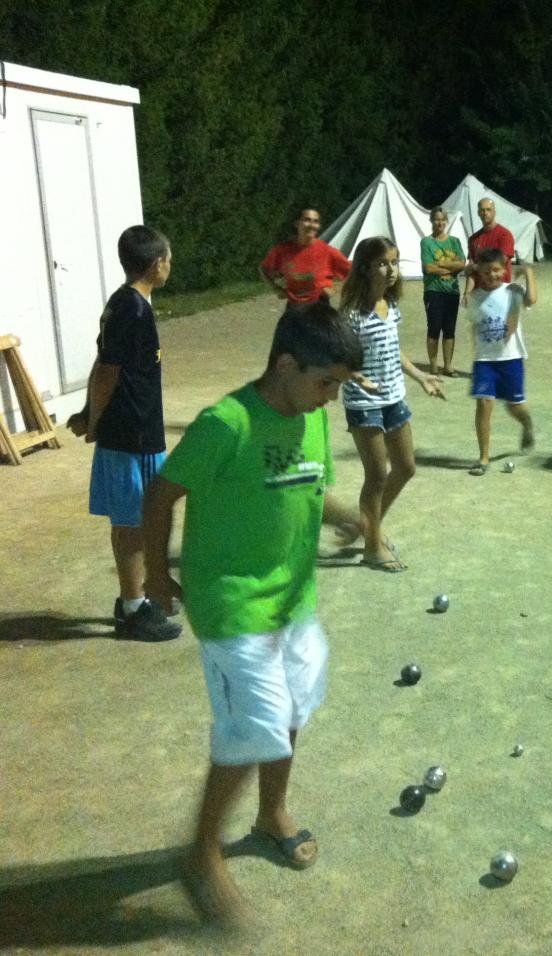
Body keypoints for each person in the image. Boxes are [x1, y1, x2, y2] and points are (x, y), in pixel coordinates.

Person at [141, 304, 365, 926]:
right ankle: (203, 851)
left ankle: (271, 813)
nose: (331, 398)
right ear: (286, 364)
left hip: (294, 598)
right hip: (232, 601)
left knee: (292, 708)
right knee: (254, 725)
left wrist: (342, 512)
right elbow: (160, 494)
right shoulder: (226, 422)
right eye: (327, 383)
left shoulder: (310, 414)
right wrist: (158, 574)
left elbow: (306, 484)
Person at [79, 225, 182, 641]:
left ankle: (136, 598)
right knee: (131, 521)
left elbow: (104, 359)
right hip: (129, 435)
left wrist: (89, 411)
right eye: (168, 260)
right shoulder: (131, 309)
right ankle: (133, 608)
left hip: (141, 430)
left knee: (144, 517)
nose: (170, 266)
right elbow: (107, 370)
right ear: (157, 265)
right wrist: (94, 419)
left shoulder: (129, 304)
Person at [339, 237, 445, 572]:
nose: (391, 270)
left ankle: (369, 529)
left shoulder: (391, 306)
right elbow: (339, 359)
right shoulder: (353, 314)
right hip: (364, 403)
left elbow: (393, 349)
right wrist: (357, 378)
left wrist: (420, 376)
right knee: (377, 476)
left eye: (395, 262)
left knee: (406, 467)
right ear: (366, 268)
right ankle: (372, 547)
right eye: (383, 263)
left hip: (394, 397)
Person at [465, 247, 537, 475]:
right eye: (486, 272)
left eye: (496, 270)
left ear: (504, 269)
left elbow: (532, 299)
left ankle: (527, 424)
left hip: (511, 358)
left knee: (514, 406)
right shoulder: (475, 297)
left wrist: (527, 271)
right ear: (480, 273)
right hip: (485, 360)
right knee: (484, 404)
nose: (492, 275)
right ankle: (483, 457)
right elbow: (474, 326)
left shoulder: (512, 291)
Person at [259, 207, 351, 311]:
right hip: (294, 308)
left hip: (320, 308)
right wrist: (276, 289)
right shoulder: (282, 250)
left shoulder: (328, 251)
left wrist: (335, 289)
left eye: (316, 222)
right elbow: (264, 269)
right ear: (297, 224)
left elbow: (353, 273)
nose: (312, 225)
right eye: (307, 220)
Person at [421, 207, 467, 377]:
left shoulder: (454, 241)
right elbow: (428, 268)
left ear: (446, 221)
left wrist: (439, 265)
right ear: (431, 221)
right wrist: (450, 267)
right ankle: (433, 365)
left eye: (442, 220)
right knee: (434, 328)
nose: (439, 223)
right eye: (436, 219)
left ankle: (447, 365)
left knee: (449, 329)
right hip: (434, 291)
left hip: (452, 291)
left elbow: (462, 264)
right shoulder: (427, 242)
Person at [463, 197, 516, 303]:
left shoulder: (505, 235)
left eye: (488, 209)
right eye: (482, 210)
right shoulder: (473, 239)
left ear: (494, 212)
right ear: (478, 213)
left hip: (500, 292)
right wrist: (467, 293)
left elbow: (500, 263)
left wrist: (475, 267)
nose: (485, 213)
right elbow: (472, 272)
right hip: (479, 293)